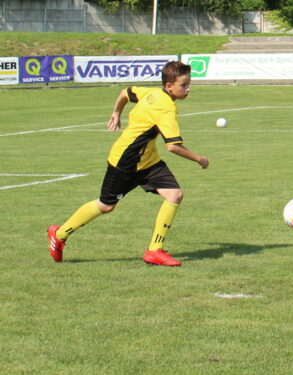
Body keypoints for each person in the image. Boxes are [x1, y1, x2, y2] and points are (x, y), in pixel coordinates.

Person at [47, 61, 209, 266]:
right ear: (169, 86)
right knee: (106, 206)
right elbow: (173, 146)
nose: (188, 89)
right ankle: (59, 234)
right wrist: (199, 159)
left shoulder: (152, 93)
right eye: (184, 85)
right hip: (125, 162)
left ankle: (154, 250)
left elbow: (126, 92)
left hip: (148, 161)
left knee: (174, 194)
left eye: (188, 83)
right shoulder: (166, 108)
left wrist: (116, 113)